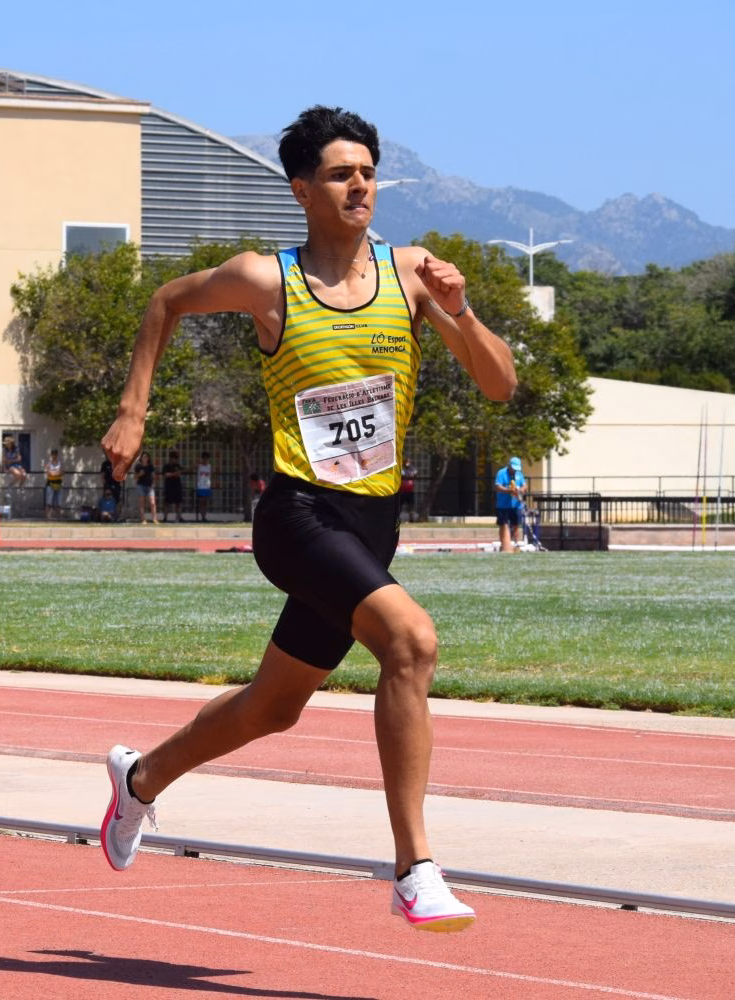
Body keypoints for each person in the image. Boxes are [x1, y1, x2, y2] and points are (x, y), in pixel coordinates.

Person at [99, 105, 517, 933]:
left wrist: (460, 310)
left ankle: (139, 780)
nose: (359, 183)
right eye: (339, 173)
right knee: (411, 640)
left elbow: (501, 385)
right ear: (302, 189)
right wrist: (133, 407)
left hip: (372, 522)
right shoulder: (267, 280)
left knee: (273, 707)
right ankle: (416, 869)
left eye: (367, 170)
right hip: (297, 515)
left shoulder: (413, 277)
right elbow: (165, 302)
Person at [494, 456, 526, 552]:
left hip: (516, 505)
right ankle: (504, 544)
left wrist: (520, 490)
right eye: (513, 468)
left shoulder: (519, 474)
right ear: (509, 466)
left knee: (516, 525)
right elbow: (497, 486)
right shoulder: (501, 473)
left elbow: (524, 485)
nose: (514, 470)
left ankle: (516, 544)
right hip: (503, 505)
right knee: (503, 525)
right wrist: (508, 490)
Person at [134, 451, 158, 523]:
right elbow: (135, 477)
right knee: (142, 503)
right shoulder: (138, 466)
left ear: (148, 458)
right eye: (144, 457)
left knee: (152, 502)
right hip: (141, 485)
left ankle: (154, 519)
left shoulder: (150, 466)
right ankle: (143, 519)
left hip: (149, 486)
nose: (145, 458)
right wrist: (139, 474)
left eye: (146, 457)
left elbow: (154, 476)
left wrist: (153, 483)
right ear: (141, 458)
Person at [162, 450, 185, 522]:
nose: (175, 460)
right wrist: (174, 474)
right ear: (170, 458)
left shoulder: (178, 466)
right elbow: (166, 475)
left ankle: (178, 517)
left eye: (176, 458)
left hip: (177, 485)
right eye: (174, 458)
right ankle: (165, 517)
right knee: (167, 502)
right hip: (169, 486)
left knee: (178, 502)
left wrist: (174, 474)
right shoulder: (166, 466)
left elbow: (180, 473)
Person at [43, 448, 64, 520]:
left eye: (55, 454)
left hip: (58, 484)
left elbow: (62, 472)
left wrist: (55, 473)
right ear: (51, 455)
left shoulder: (60, 463)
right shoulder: (48, 464)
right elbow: (49, 473)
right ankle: (48, 517)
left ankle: (59, 517)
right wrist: (56, 473)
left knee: (59, 502)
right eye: (53, 454)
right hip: (50, 484)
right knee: (49, 501)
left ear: (57, 455)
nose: (54, 456)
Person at [100, 454, 122, 518]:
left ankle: (117, 516)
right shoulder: (105, 464)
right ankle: (105, 516)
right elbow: (102, 474)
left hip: (116, 484)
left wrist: (119, 481)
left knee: (117, 500)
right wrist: (104, 483)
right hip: (108, 484)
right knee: (107, 500)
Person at [399, 458, 418, 522]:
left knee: (411, 506)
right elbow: (403, 476)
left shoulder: (413, 469)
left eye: (408, 462)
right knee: (400, 506)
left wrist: (409, 476)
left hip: (410, 491)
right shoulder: (402, 469)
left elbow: (415, 475)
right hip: (403, 491)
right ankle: (398, 518)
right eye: (406, 462)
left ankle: (411, 519)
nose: (407, 463)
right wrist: (408, 476)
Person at [196, 451, 212, 522]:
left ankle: (204, 517)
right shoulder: (199, 466)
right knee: (201, 502)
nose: (206, 460)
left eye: (207, 459)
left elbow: (211, 475)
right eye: (204, 458)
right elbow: (192, 467)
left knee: (206, 502)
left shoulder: (209, 466)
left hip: (207, 486)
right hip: (200, 486)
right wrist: (199, 462)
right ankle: (201, 516)